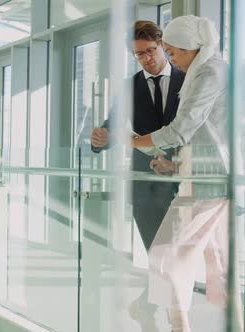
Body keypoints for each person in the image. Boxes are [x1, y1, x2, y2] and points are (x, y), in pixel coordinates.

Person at [132, 15, 242, 332]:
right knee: (215, 259)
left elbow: (183, 129)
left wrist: (137, 141)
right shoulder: (202, 70)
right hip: (201, 175)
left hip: (211, 181)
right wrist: (175, 165)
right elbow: (206, 133)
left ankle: (178, 324)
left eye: (173, 51)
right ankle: (228, 323)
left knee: (168, 254)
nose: (172, 59)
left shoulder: (210, 71)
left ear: (192, 47)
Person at [90, 20, 185, 331]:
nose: (146, 59)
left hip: (185, 179)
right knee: (159, 254)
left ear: (163, 47)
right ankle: (170, 318)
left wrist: (176, 163)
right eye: (138, 55)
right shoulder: (130, 86)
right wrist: (100, 140)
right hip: (146, 185)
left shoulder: (188, 80)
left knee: (173, 256)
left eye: (150, 51)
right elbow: (112, 124)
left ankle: (145, 307)